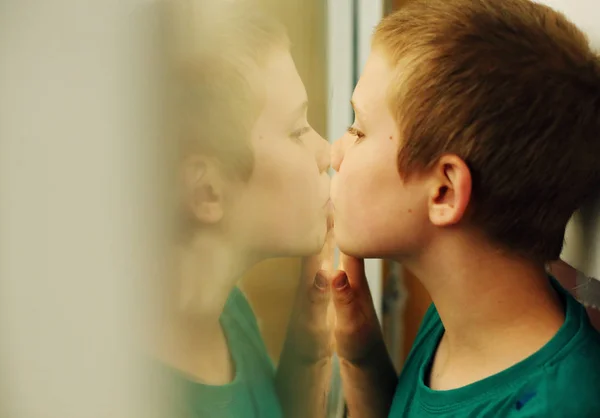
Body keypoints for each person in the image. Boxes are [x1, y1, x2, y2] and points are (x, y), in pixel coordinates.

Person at [328, 0, 600, 416]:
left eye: (359, 130)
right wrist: (360, 352)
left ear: (444, 192)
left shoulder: (555, 407)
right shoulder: (457, 318)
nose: (335, 154)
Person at [151, 1, 332, 416]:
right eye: (297, 129)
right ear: (208, 192)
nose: (325, 152)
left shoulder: (227, 312)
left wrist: (311, 334)